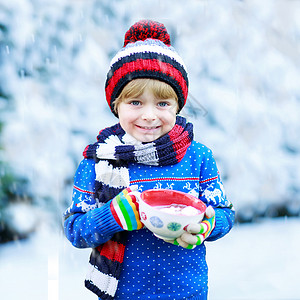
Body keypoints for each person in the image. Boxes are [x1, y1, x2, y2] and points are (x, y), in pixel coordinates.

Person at [63, 19, 235, 300]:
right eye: (135, 103)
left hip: (187, 292)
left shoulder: (197, 156)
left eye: (163, 103)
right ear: (116, 104)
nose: (150, 115)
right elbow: (75, 230)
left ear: (178, 106)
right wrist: (112, 217)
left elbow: (225, 212)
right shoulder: (97, 163)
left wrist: (206, 226)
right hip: (124, 293)